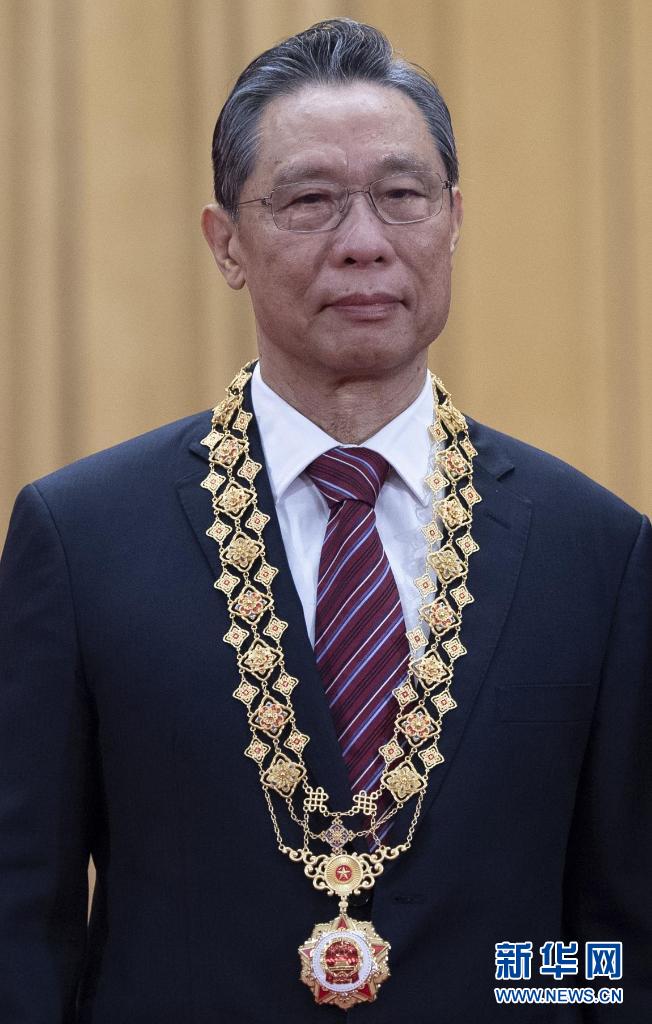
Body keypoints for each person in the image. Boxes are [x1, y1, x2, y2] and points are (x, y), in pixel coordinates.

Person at [0, 18, 650, 1024]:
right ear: (226, 242)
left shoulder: (595, 552)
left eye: (402, 196)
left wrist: (508, 994)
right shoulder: (82, 539)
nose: (363, 242)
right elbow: (24, 921)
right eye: (309, 202)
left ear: (453, 219)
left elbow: (617, 940)